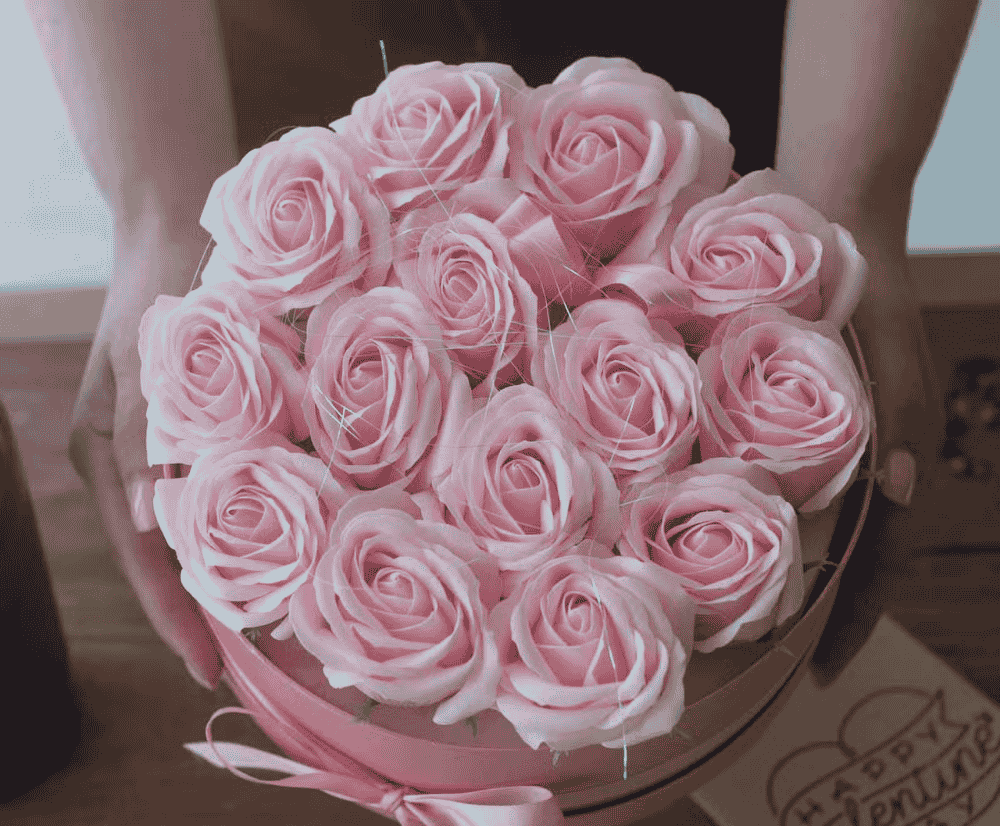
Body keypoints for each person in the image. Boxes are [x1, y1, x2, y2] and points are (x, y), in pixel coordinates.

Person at [25, 0, 981, 690]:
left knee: (736, 246)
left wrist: (854, 195)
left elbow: (789, 233)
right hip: (257, 56)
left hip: (725, 49)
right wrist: (160, 209)